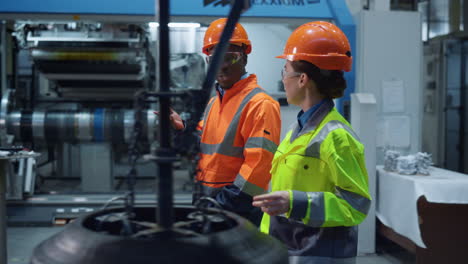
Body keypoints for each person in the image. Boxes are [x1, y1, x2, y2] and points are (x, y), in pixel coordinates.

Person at [252, 21, 371, 263]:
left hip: (318, 254)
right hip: (289, 247)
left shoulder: (336, 136)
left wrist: (294, 202)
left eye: (285, 70)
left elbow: (355, 206)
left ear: (303, 79)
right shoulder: (299, 127)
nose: (283, 79)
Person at [171, 18, 281, 226]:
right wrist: (183, 128)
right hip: (207, 202)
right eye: (214, 59)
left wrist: (224, 204)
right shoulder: (215, 103)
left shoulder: (260, 104)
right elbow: (205, 142)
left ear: (245, 57)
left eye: (229, 58)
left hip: (237, 211)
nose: (221, 67)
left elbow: (258, 166)